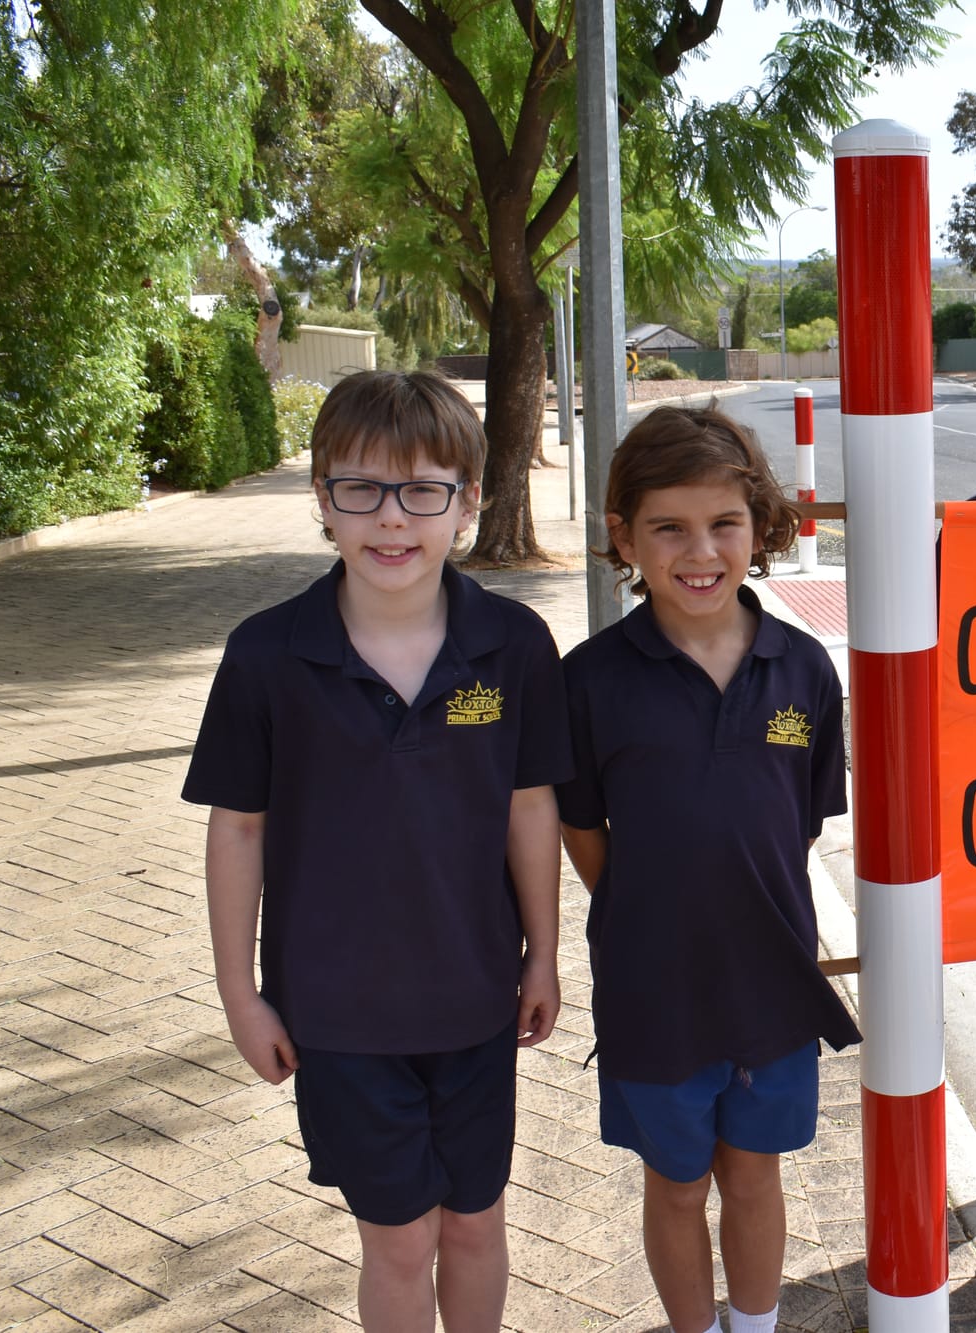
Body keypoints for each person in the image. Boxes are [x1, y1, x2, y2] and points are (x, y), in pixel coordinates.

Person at [183, 369, 572, 1333]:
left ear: (469, 500)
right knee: (399, 1238)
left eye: (423, 491)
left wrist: (547, 954)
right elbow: (237, 829)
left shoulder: (512, 645)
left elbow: (532, 808)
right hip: (339, 1014)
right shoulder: (268, 655)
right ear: (322, 498)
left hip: (476, 998)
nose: (391, 520)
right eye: (360, 488)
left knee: (476, 1222)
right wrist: (241, 992)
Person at [557, 406, 858, 1333]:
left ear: (761, 527)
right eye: (669, 528)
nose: (700, 550)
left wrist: (741, 907)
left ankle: (755, 1325)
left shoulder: (803, 669)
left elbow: (797, 823)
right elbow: (581, 827)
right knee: (677, 1183)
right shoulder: (590, 679)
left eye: (724, 523)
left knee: (755, 1174)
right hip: (654, 989)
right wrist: (653, 910)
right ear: (624, 537)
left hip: (771, 980)